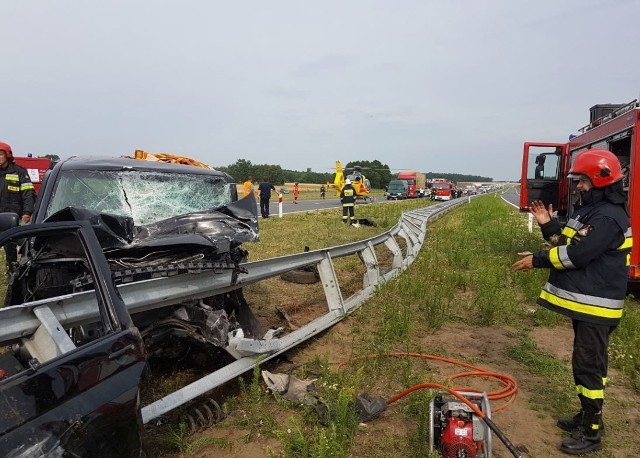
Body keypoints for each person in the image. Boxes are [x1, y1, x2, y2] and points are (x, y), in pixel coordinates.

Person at [513, 149, 631, 455]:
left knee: (588, 368)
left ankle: (591, 432)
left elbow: (578, 256)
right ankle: (587, 416)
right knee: (589, 365)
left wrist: (537, 261)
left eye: (582, 181)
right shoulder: (589, 212)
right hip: (588, 303)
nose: (578, 186)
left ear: (600, 181)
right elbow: (566, 245)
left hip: (598, 306)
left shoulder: (608, 217)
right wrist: (547, 224)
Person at [0, 142, 36, 272]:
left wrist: (27, 211)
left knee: (10, 245)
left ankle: (12, 269)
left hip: (12, 217)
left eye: (0, 154)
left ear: (7, 155)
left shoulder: (19, 172)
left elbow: (28, 194)